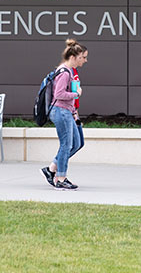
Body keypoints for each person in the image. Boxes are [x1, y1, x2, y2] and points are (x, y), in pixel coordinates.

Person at [40, 38, 86, 191]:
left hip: (67, 112)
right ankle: (61, 178)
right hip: (60, 111)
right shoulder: (65, 72)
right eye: (82, 57)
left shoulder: (69, 72)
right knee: (66, 145)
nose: (85, 60)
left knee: (77, 143)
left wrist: (74, 112)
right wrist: (76, 94)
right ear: (73, 57)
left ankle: (52, 169)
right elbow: (59, 94)